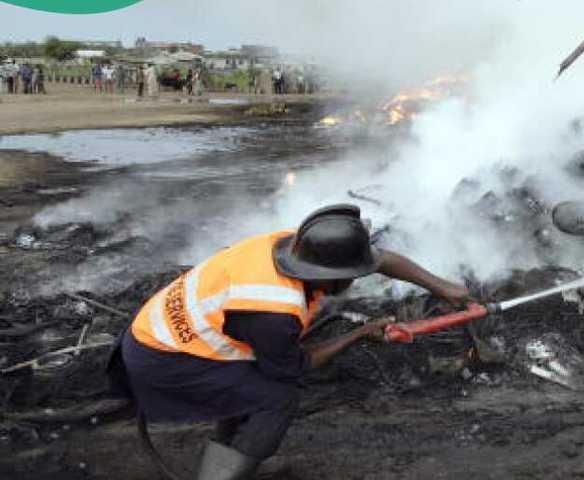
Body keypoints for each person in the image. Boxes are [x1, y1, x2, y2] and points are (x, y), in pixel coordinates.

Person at [110, 204, 472, 479]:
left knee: (253, 385)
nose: (358, 279)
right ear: (332, 277)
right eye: (353, 276)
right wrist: (359, 335)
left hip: (158, 332)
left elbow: (379, 260)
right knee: (277, 397)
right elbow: (295, 368)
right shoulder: (274, 311)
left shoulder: (292, 247)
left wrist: (442, 286)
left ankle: (232, 450)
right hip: (165, 359)